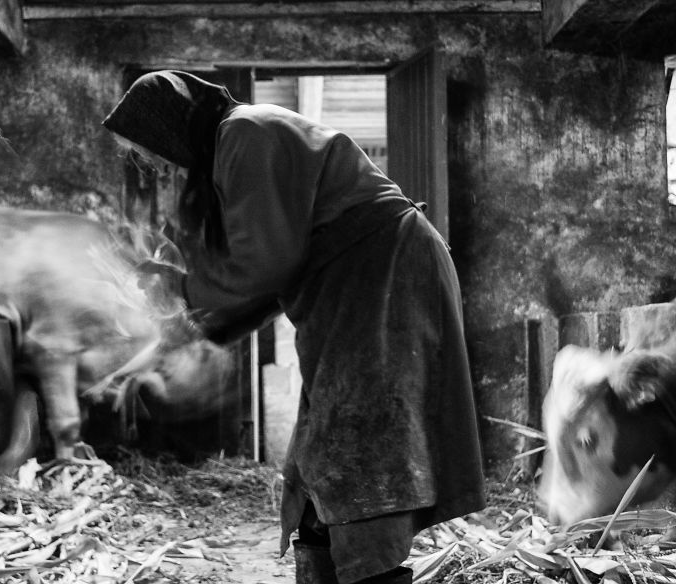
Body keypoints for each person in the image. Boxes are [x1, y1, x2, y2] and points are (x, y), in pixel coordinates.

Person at [103, 70, 486, 584]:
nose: (149, 165)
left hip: (381, 269)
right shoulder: (227, 154)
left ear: (166, 126)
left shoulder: (243, 133)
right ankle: (332, 561)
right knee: (323, 441)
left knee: (359, 433)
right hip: (353, 282)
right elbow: (260, 282)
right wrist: (192, 323)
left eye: (146, 151)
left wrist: (182, 293)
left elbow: (265, 265)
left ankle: (368, 568)